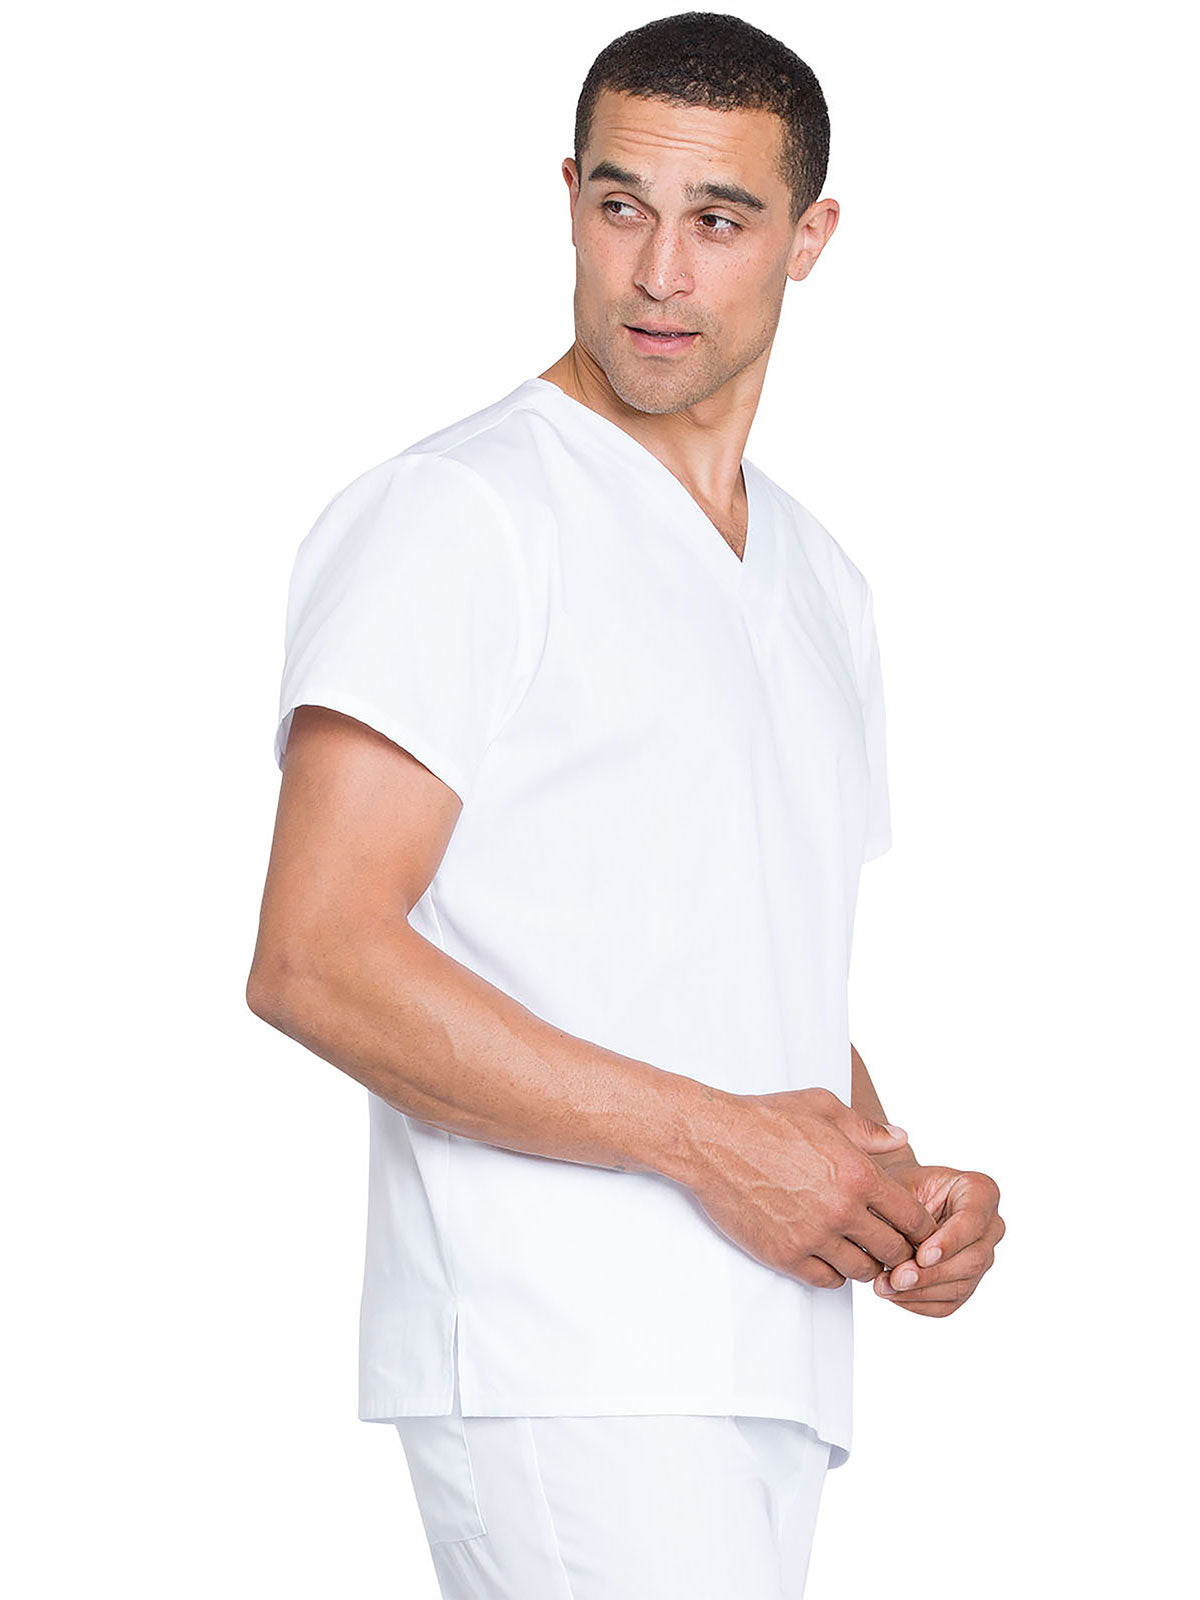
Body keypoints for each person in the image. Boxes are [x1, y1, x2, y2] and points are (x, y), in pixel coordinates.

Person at [246, 11, 1005, 1597]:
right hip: (561, 1344)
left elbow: (752, 964)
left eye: (719, 220)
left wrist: (883, 1185)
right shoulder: (464, 516)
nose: (658, 272)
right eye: (620, 206)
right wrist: (719, 1147)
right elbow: (317, 956)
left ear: (811, 239)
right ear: (569, 202)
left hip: (769, 1357)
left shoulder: (823, 582)